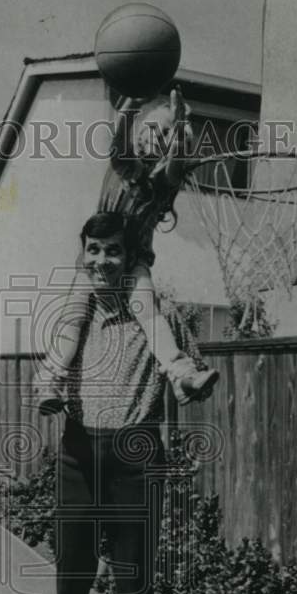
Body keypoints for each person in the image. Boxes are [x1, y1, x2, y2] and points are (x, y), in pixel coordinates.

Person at [26, 210, 205, 594]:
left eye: (113, 251)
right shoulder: (73, 316)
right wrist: (46, 383)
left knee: (134, 592)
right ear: (83, 253)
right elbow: (49, 370)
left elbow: (185, 371)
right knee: (71, 587)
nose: (102, 261)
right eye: (94, 249)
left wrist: (183, 380)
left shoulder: (158, 316)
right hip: (79, 453)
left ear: (131, 259)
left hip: (135, 456)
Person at [35, 87, 218, 414]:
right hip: (100, 257)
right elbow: (119, 138)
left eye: (168, 135)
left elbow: (176, 165)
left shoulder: (164, 183)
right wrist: (133, 98)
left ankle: (182, 374)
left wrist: (178, 130)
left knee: (149, 315)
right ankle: (51, 379)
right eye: (156, 130)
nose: (160, 138)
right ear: (141, 132)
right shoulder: (125, 167)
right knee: (73, 317)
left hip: (134, 262)